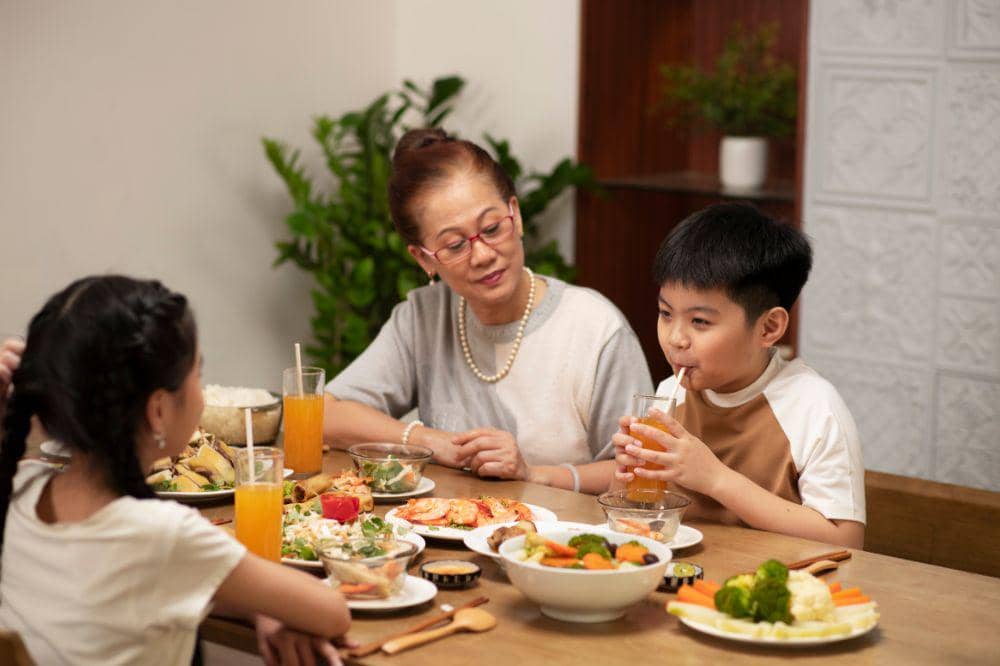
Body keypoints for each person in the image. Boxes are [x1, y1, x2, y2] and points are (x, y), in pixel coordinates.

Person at [0, 276, 351, 665]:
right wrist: (268, 601)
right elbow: (331, 612)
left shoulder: (20, 488)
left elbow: (166, 580)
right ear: (158, 410)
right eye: (197, 374)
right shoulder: (163, 533)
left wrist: (256, 602)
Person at [324, 129, 652, 493]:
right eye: (455, 244)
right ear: (423, 259)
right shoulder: (423, 318)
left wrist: (533, 475)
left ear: (516, 214)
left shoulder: (595, 328)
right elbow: (324, 414)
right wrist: (436, 443)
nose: (482, 255)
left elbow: (640, 473)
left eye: (492, 228)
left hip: (567, 542)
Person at [612, 203, 866, 549]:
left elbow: (847, 539)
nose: (675, 338)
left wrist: (715, 478)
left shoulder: (814, 408)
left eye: (699, 321)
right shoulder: (672, 393)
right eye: (665, 313)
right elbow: (647, 517)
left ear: (769, 327)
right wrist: (627, 477)